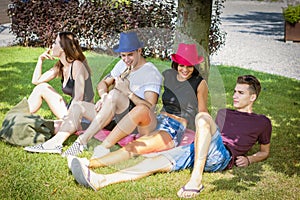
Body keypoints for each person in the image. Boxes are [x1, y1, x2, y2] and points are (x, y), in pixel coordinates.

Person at [70, 75, 272, 199]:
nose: (235, 96)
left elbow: (264, 151)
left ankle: (196, 181)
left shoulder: (262, 122)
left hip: (223, 156)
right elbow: (206, 136)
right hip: (197, 149)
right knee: (154, 162)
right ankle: (99, 178)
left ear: (252, 97)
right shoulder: (223, 112)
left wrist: (250, 158)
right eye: (235, 91)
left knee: (203, 117)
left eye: (240, 93)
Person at [69, 43, 209, 169]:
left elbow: (202, 113)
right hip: (158, 120)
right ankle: (103, 147)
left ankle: (89, 164)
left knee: (134, 147)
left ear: (194, 66)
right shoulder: (169, 75)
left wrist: (204, 133)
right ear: (176, 64)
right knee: (142, 109)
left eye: (189, 66)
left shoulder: (199, 83)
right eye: (181, 65)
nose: (185, 69)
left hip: (174, 128)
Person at [24, 31, 163, 155]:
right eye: (123, 55)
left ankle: (82, 142)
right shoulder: (123, 64)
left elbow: (149, 109)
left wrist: (128, 92)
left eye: (130, 55)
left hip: (132, 121)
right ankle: (55, 144)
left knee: (115, 94)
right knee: (78, 105)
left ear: (139, 51)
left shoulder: (150, 73)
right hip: (112, 115)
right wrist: (103, 97)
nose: (126, 59)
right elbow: (103, 84)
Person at [27, 31, 94, 120]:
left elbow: (79, 98)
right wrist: (40, 60)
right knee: (42, 87)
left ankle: (23, 118)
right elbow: (36, 81)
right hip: (72, 108)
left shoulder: (77, 65)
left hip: (84, 114)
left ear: (62, 48)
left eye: (55, 43)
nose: (52, 46)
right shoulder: (61, 66)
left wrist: (69, 119)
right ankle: (21, 116)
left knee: (52, 126)